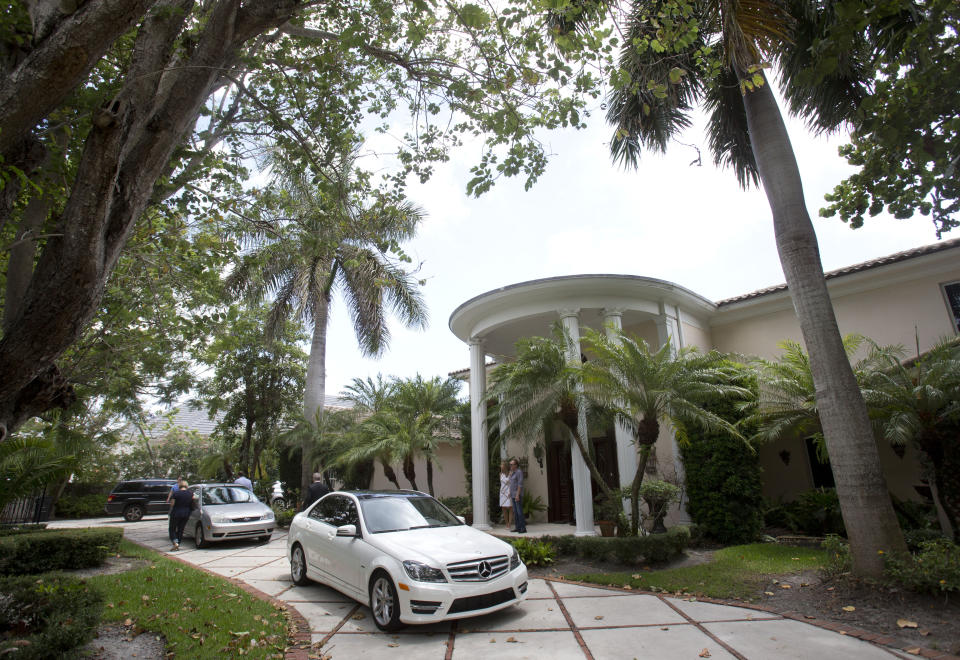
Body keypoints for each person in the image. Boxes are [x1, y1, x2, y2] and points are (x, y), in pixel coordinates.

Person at [168, 478, 194, 551]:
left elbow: (172, 504)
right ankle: (178, 544)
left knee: (172, 528)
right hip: (186, 513)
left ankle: (175, 542)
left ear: (179, 486)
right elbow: (193, 502)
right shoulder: (190, 493)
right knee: (180, 529)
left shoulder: (176, 493)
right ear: (186, 486)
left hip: (176, 512)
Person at [508, 458, 526, 533]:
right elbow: (511, 483)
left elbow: (520, 484)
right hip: (513, 495)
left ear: (516, 465)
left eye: (511, 464)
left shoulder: (519, 472)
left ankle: (523, 528)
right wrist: (510, 492)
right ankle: (517, 527)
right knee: (515, 512)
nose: (510, 466)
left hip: (517, 495)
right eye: (510, 464)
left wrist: (517, 495)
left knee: (519, 512)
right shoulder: (512, 472)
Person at [499, 460, 512, 529]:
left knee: (510, 508)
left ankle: (509, 524)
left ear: (505, 466)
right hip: (502, 492)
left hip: (509, 492)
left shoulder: (510, 473)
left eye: (502, 465)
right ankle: (506, 524)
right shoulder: (500, 474)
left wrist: (510, 491)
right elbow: (501, 483)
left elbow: (511, 484)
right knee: (503, 508)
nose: (500, 466)